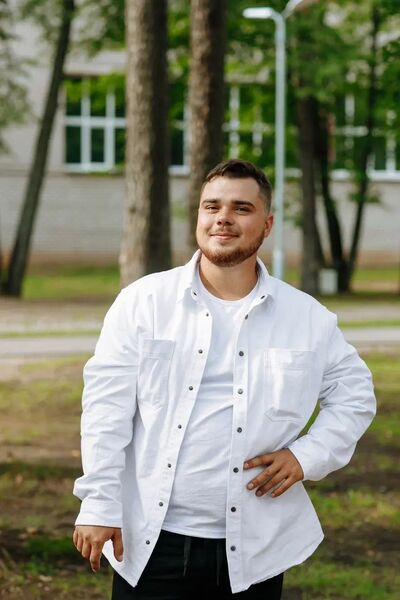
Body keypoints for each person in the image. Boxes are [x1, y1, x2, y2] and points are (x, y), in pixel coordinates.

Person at [73, 159, 376, 599]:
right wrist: (99, 501)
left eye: (241, 208)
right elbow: (106, 410)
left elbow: (355, 395)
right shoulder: (143, 303)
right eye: (211, 206)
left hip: (255, 550)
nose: (223, 218)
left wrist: (306, 456)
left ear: (267, 225)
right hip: (149, 543)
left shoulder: (307, 318)